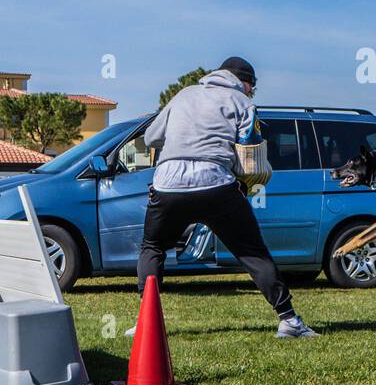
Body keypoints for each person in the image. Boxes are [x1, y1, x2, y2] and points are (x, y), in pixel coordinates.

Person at [136, 57, 317, 339]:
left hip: (169, 181)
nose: (251, 93)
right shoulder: (242, 102)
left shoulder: (184, 94)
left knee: (153, 247)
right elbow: (250, 149)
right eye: (252, 87)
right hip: (215, 181)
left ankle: (146, 322)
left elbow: (150, 138)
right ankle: (289, 320)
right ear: (244, 82)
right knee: (252, 252)